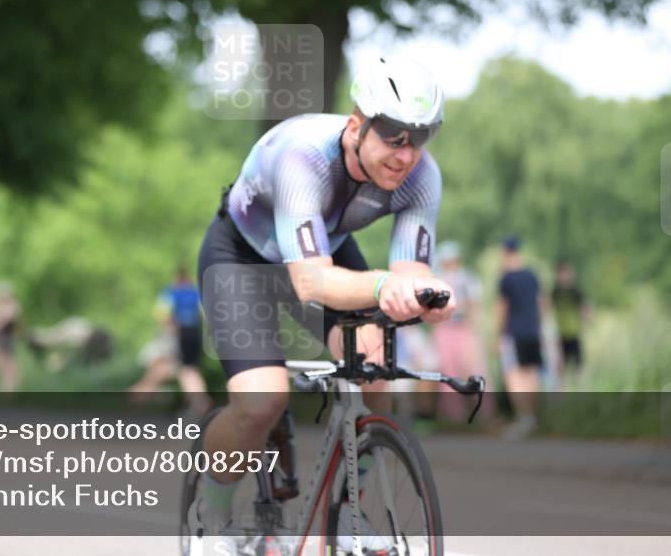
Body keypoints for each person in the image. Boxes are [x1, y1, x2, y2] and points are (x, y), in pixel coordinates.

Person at [192, 55, 455, 554]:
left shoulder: (422, 178)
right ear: (357, 126)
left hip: (321, 249)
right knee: (262, 401)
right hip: (242, 257)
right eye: (394, 135)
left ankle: (352, 508)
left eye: (419, 138)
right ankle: (213, 513)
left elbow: (409, 274)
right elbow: (311, 282)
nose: (406, 153)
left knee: (375, 365)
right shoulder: (303, 156)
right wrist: (381, 288)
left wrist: (431, 297)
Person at [129, 267, 212, 416]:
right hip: (193, 334)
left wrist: (168, 332)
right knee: (186, 369)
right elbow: (205, 315)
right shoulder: (195, 293)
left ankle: (138, 396)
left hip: (174, 335)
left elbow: (162, 315)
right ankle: (198, 401)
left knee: (164, 369)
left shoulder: (170, 293)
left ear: (176, 278)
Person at [496, 236, 546, 439]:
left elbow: (502, 309)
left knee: (513, 375)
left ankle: (523, 418)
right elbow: (542, 304)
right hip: (533, 331)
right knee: (531, 373)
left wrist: (498, 335)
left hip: (513, 333)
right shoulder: (532, 275)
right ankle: (532, 417)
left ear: (505, 252)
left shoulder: (506, 278)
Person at [433, 241, 486, 420]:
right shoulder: (438, 279)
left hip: (464, 328)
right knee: (449, 371)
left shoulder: (467, 279)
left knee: (473, 367)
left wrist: (474, 330)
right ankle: (452, 415)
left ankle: (482, 413)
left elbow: (474, 306)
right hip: (445, 328)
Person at [551, 261, 589, 372]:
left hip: (574, 332)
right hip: (560, 333)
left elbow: (585, 306)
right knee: (560, 365)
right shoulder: (555, 292)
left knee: (579, 364)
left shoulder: (575, 292)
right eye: (561, 273)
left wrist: (585, 321)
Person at [0, 282, 21, 393]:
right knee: (0, 366)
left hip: (8, 338)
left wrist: (0, 314)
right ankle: (4, 391)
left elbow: (5, 320)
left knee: (10, 366)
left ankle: (11, 391)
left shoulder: (12, 306)